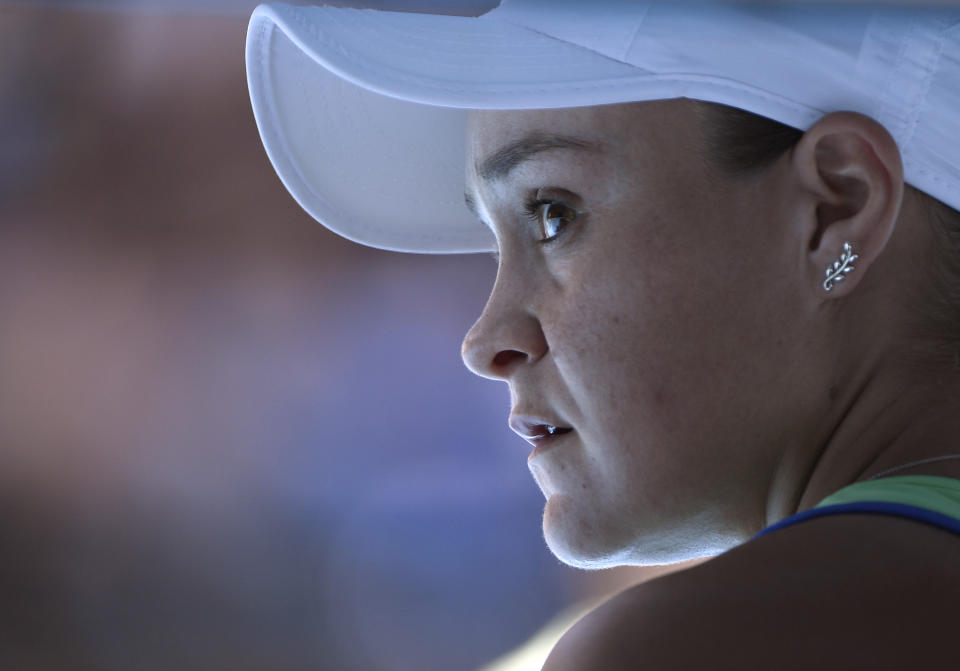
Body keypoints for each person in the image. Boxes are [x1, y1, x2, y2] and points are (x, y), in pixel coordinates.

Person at [246, 1, 960, 667]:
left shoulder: (693, 645)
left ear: (836, 205)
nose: (486, 340)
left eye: (553, 215)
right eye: (496, 247)